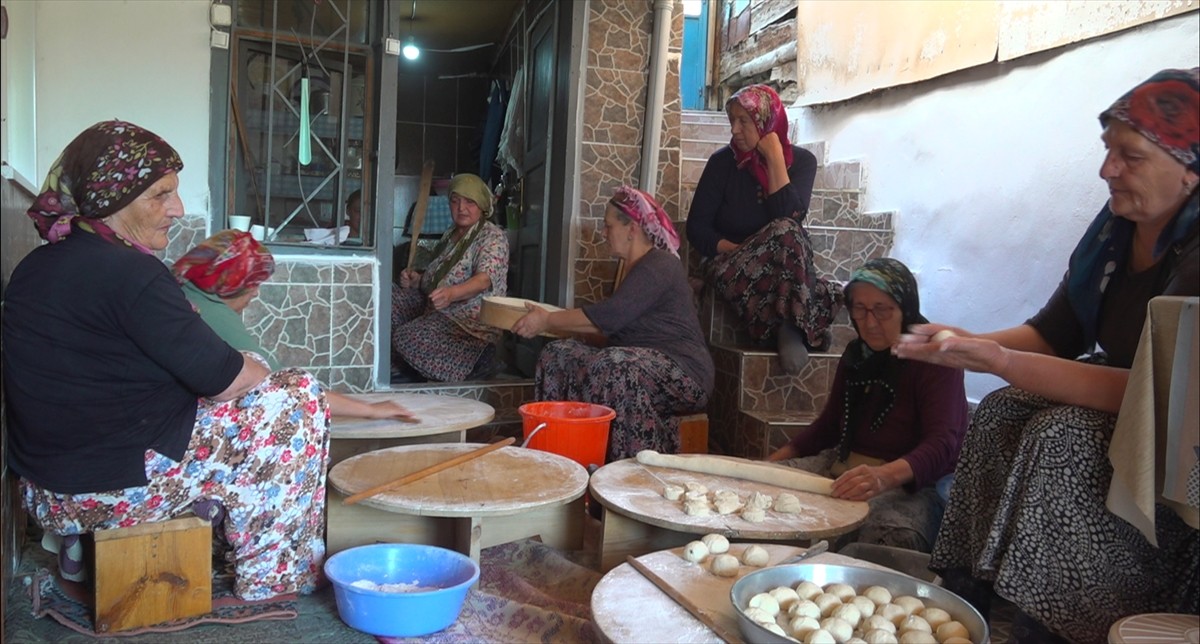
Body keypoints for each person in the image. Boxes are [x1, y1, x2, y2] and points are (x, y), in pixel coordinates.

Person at [893, 68, 1199, 643]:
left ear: (1191, 170)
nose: (1107, 170)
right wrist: (961, 342)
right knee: (1002, 410)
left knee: (1062, 437)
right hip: (1133, 395)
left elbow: (1155, 394)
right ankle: (961, 605)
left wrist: (999, 360)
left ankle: (1055, 625)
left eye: (1130, 157)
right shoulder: (1113, 235)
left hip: (1182, 431)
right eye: (1108, 150)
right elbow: (1054, 334)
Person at [2, 120, 328, 601]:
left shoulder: (40, 264)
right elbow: (225, 380)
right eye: (160, 195)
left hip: (46, 488)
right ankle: (273, 576)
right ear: (111, 201)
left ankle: (79, 555)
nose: (177, 209)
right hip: (104, 491)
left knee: (245, 391)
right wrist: (259, 372)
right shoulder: (131, 273)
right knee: (298, 398)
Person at [767, 258, 968, 552]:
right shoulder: (857, 355)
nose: (870, 323)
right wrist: (766, 466)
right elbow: (828, 427)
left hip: (913, 482)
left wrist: (882, 477)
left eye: (882, 310)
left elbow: (942, 444)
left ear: (906, 308)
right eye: (859, 309)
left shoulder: (935, 358)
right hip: (848, 464)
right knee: (766, 491)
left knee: (884, 534)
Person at [512, 186, 714, 462]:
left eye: (608, 226)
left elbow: (609, 316)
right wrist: (560, 329)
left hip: (686, 373)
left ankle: (626, 470)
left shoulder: (660, 265)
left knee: (615, 365)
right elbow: (610, 329)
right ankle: (561, 456)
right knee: (558, 354)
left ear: (632, 229)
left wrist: (547, 319)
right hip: (641, 361)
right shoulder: (630, 270)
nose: (603, 233)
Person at [171, 229, 415, 421]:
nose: (255, 293)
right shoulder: (212, 315)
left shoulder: (183, 293)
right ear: (231, 283)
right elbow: (285, 384)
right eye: (253, 284)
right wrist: (371, 410)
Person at [686, 83, 839, 374]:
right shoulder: (722, 164)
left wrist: (775, 157)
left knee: (786, 230)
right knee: (814, 285)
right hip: (731, 261)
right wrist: (738, 249)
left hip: (781, 262)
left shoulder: (802, 162)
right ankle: (797, 328)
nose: (734, 130)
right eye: (732, 120)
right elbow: (697, 228)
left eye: (744, 121)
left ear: (767, 122)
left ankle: (785, 328)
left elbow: (791, 216)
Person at [391, 173, 509, 382]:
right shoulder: (450, 234)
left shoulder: (492, 236)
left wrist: (452, 294)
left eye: (470, 202)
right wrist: (417, 280)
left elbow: (483, 280)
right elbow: (438, 276)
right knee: (390, 299)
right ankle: (412, 366)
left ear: (482, 205)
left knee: (407, 338)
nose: (461, 208)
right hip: (436, 309)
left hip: (467, 324)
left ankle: (476, 362)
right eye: (455, 201)